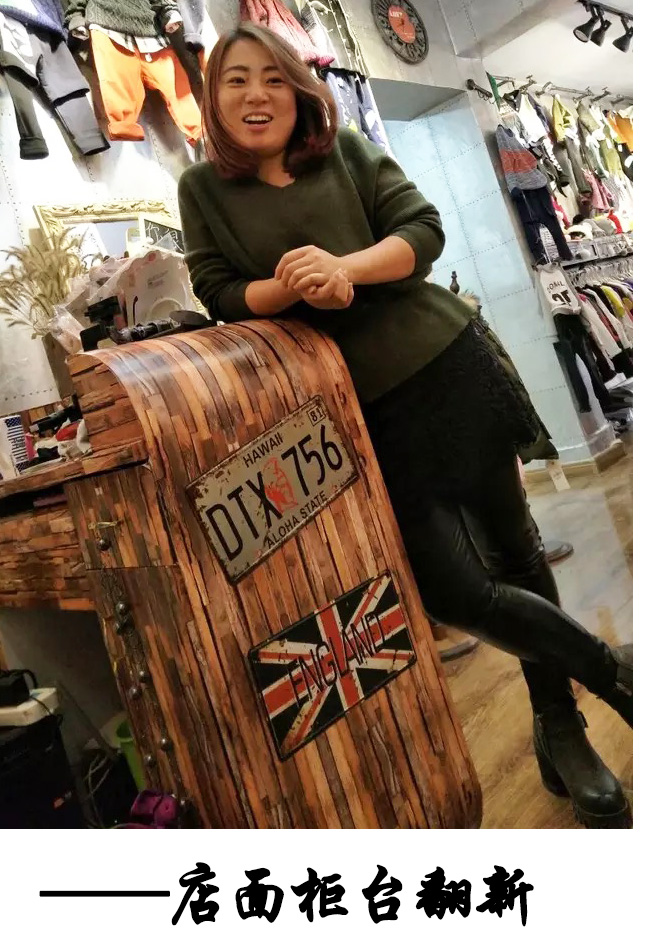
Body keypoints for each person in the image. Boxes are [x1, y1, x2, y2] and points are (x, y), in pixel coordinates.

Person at [177, 23, 633, 828]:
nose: (256, 95)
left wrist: (345, 268)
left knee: (517, 549)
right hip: (357, 411)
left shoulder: (345, 150)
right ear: (212, 98)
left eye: (274, 79)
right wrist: (292, 287)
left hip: (448, 365)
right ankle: (612, 672)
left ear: (299, 91)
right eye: (236, 80)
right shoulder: (202, 188)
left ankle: (560, 728)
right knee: (451, 589)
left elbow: (422, 233)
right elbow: (216, 290)